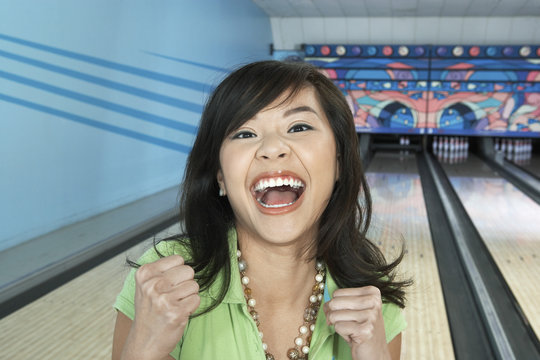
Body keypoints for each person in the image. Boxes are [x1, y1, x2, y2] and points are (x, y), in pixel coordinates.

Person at [112, 60, 410, 360]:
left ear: (338, 163)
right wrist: (145, 347)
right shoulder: (165, 283)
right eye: (244, 133)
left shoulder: (373, 303)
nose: (272, 147)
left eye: (299, 127)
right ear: (220, 177)